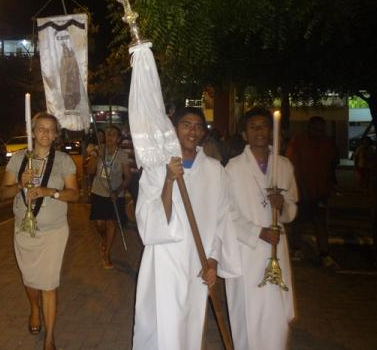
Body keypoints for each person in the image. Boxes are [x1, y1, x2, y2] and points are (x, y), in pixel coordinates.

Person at [132, 107, 241, 350]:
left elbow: (222, 219)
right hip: (164, 260)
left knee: (189, 326)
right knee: (162, 325)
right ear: (174, 129)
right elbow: (151, 222)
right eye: (186, 125)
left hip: (197, 262)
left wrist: (212, 260)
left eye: (198, 126)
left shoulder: (214, 170)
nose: (193, 131)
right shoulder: (156, 167)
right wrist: (169, 181)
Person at [0, 112, 79, 350]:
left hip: (54, 231)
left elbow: (74, 194)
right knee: (30, 279)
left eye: (50, 129)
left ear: (55, 135)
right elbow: (2, 193)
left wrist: (49, 191)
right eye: (40, 128)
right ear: (33, 132)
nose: (45, 132)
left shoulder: (64, 160)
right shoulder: (19, 158)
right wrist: (20, 184)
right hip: (24, 231)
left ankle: (50, 338)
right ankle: (34, 308)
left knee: (49, 284)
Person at [225, 107, 298, 350]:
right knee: (250, 313)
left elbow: (292, 208)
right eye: (253, 126)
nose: (259, 130)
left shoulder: (284, 165)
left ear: (271, 131)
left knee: (276, 315)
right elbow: (227, 213)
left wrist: (283, 205)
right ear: (244, 134)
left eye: (264, 125)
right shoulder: (233, 168)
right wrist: (258, 232)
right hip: (248, 249)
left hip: (277, 247)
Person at [286, 116, 339, 268]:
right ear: (309, 128)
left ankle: (324, 254)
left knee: (320, 224)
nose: (319, 132)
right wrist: (300, 190)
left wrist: (330, 187)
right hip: (301, 192)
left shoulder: (327, 143)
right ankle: (296, 249)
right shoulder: (298, 143)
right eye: (316, 129)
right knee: (299, 223)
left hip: (320, 192)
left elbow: (331, 165)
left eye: (322, 129)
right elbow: (293, 168)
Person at [87, 125, 132, 269]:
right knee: (99, 223)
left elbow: (128, 177)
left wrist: (118, 191)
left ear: (118, 139)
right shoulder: (99, 150)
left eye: (113, 135)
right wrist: (96, 156)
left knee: (111, 223)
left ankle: (106, 254)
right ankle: (105, 240)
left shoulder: (122, 155)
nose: (110, 137)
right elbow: (90, 171)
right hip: (98, 191)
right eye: (108, 134)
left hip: (115, 194)